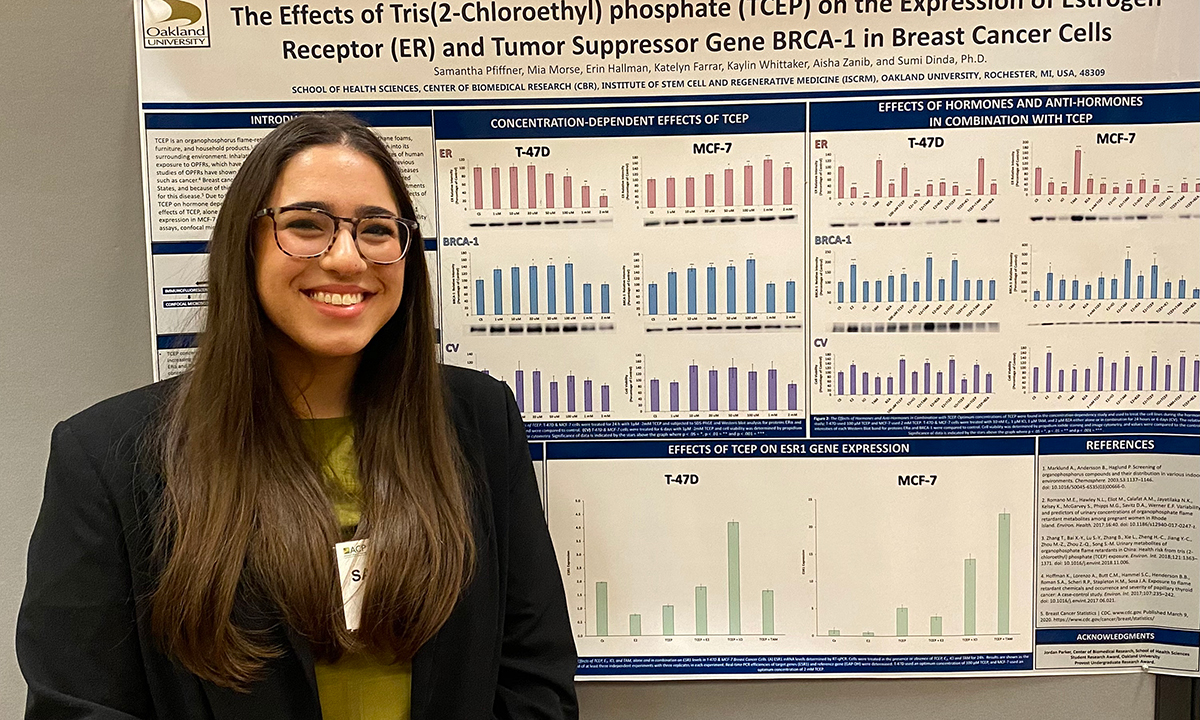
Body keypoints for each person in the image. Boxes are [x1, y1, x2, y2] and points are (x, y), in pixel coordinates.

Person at [17, 113, 578, 719]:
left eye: (377, 230)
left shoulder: (478, 423)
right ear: (245, 243)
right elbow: (78, 705)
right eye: (306, 225)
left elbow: (534, 676)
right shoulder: (107, 456)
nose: (346, 258)